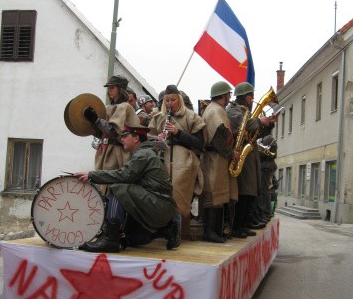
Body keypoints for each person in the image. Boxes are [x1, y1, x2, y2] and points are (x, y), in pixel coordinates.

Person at [75, 124, 179, 252]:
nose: (121, 139)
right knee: (130, 239)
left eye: (125, 136)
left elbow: (124, 175)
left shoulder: (143, 154)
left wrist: (92, 175)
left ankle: (110, 239)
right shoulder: (143, 153)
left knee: (118, 188)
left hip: (158, 204)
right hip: (158, 206)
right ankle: (165, 230)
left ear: (136, 139)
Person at [149, 85, 205, 240]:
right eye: (167, 100)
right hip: (162, 159)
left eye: (173, 100)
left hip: (183, 162)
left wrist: (178, 133)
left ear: (179, 100)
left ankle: (176, 231)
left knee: (177, 195)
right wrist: (157, 138)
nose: (169, 103)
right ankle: (161, 231)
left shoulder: (192, 117)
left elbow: (199, 143)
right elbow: (148, 138)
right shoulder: (159, 118)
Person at [226, 82, 276, 236]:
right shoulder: (234, 110)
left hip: (251, 156)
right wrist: (258, 121)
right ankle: (237, 227)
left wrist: (267, 125)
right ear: (243, 96)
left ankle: (244, 224)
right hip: (242, 155)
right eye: (250, 96)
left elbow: (255, 134)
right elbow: (243, 125)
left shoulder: (245, 110)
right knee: (243, 193)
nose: (253, 99)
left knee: (251, 193)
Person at [200, 81, 238, 243]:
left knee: (217, 196)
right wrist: (231, 152)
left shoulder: (213, 109)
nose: (230, 97)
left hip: (216, 157)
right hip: (215, 158)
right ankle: (209, 232)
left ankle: (215, 230)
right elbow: (219, 136)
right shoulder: (216, 110)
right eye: (228, 94)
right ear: (223, 95)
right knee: (214, 196)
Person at [84, 75, 140, 173]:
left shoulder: (125, 107)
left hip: (117, 152)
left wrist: (96, 120)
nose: (109, 90)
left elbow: (113, 131)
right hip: (104, 151)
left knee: (112, 182)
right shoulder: (108, 107)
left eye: (112, 87)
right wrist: (91, 124)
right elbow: (101, 133)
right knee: (101, 183)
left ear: (121, 89)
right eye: (108, 88)